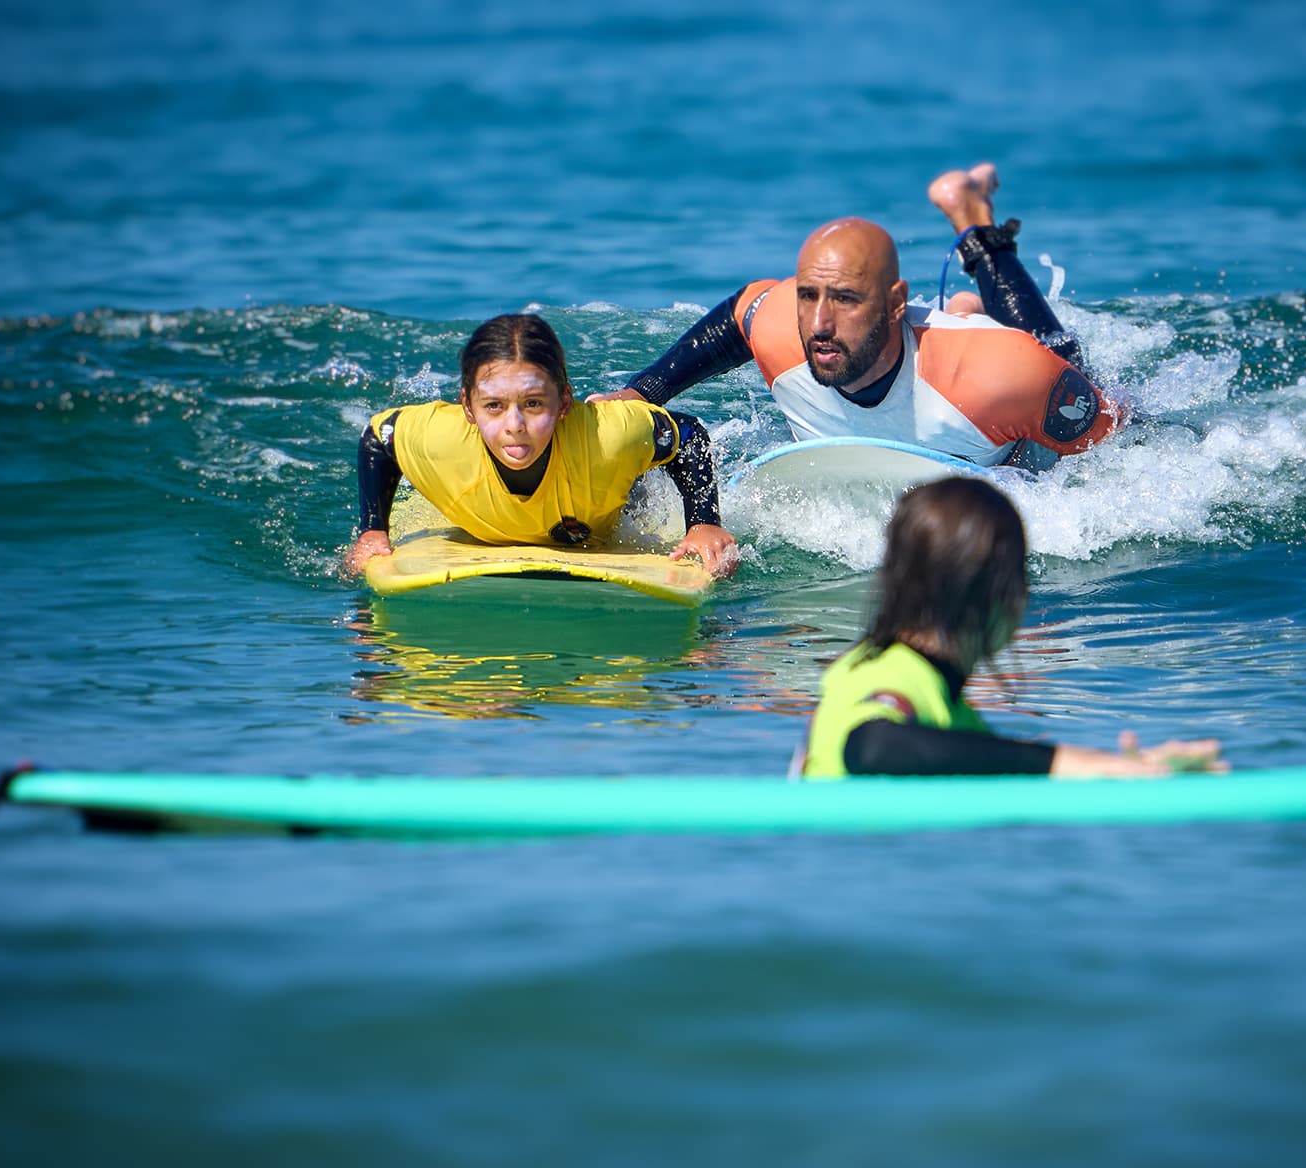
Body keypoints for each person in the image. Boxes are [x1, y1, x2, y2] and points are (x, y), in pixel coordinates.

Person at [590, 164, 1131, 470]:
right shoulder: (782, 327)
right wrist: (641, 395)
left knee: (1060, 360)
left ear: (896, 302)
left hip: (998, 393)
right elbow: (738, 313)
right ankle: (961, 310)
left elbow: (1122, 452)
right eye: (808, 296)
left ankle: (971, 216)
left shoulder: (998, 376)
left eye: (846, 299)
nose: (819, 323)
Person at [795, 477, 1225, 778]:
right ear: (1001, 595)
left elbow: (989, 767)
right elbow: (872, 746)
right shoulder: (893, 678)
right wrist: (1057, 761)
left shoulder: (940, 702)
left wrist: (1129, 767)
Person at [342, 313, 740, 578]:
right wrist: (372, 532)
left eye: (533, 404)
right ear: (467, 407)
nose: (514, 425)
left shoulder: (607, 437)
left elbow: (685, 434)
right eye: (493, 407)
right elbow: (379, 437)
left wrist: (703, 524)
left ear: (564, 402)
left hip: (601, 490)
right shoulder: (443, 440)